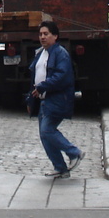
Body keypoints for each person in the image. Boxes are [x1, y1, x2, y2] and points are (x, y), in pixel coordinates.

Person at [28, 20, 84, 179]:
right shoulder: (41, 54)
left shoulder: (60, 53)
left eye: (46, 34)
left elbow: (61, 77)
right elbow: (34, 78)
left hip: (57, 98)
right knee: (44, 134)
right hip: (44, 99)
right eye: (40, 34)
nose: (42, 37)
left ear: (55, 36)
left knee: (47, 130)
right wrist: (30, 98)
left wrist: (43, 86)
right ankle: (60, 167)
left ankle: (75, 153)